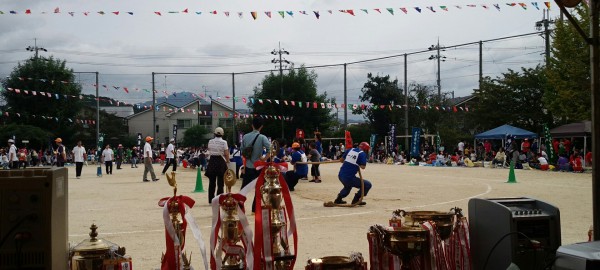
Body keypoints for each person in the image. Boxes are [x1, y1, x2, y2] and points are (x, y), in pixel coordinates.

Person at [240, 118, 271, 213]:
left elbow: (242, 151)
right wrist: (264, 159)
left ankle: (240, 207)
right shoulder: (262, 137)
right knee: (259, 188)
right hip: (258, 167)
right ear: (261, 126)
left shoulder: (245, 137)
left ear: (252, 125)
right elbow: (271, 150)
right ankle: (255, 208)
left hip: (249, 166)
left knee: (244, 188)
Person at [205, 127, 230, 203]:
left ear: (214, 133)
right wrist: (228, 161)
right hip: (220, 162)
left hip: (212, 161)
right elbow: (226, 154)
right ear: (222, 134)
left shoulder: (210, 141)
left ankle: (211, 199)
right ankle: (219, 199)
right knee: (220, 182)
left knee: (211, 182)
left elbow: (209, 150)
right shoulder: (224, 142)